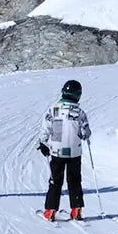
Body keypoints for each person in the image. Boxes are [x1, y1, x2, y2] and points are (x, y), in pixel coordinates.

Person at [38, 79, 92, 221]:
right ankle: (76, 209)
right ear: (78, 95)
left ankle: (50, 210)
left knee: (55, 180)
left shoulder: (53, 109)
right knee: (74, 180)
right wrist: (84, 134)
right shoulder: (80, 112)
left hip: (57, 151)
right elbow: (85, 133)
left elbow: (46, 127)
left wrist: (43, 142)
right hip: (74, 152)